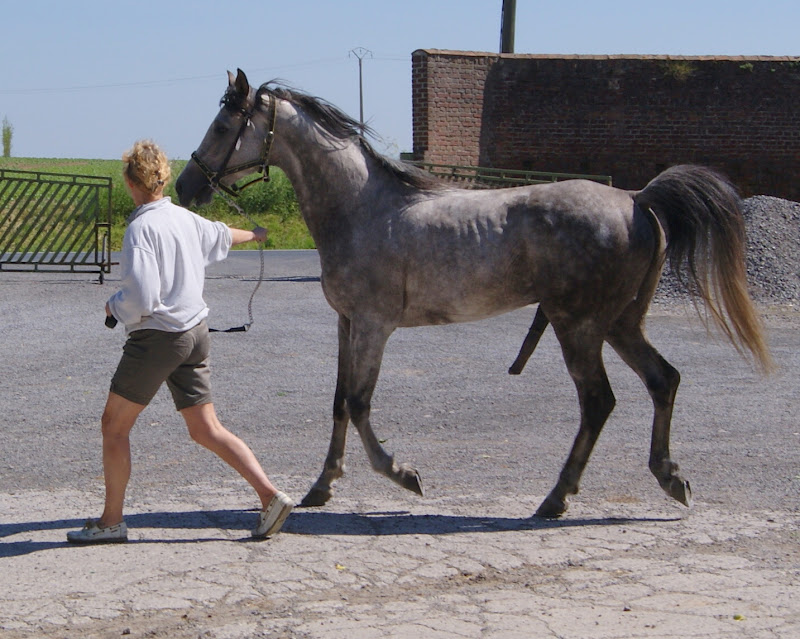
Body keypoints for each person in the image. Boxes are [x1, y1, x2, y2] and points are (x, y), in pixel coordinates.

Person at [67, 140, 293, 544]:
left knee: (114, 427)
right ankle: (270, 496)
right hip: (195, 334)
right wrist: (256, 233)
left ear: (129, 181)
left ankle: (111, 522)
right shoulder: (184, 219)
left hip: (158, 338)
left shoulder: (141, 228)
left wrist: (112, 306)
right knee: (206, 428)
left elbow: (140, 298)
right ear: (164, 178)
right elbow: (223, 235)